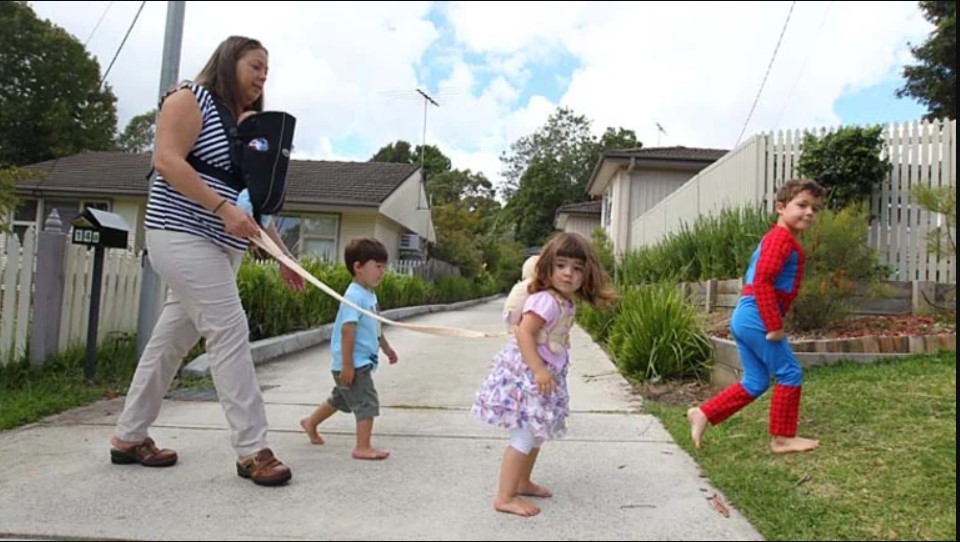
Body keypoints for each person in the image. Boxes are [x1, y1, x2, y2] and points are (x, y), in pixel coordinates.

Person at [109, 36, 304, 487]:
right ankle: (253, 449)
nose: (262, 77)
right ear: (230, 60)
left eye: (266, 72)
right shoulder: (188, 98)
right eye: (255, 66)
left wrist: (284, 258)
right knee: (229, 328)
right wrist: (221, 209)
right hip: (178, 233)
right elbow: (168, 162)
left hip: (223, 246)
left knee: (170, 342)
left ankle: (128, 436)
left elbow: (252, 205)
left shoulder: (248, 126)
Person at [472, 232, 616, 517]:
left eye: (577, 268)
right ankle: (505, 496)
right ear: (548, 266)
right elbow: (524, 332)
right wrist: (538, 368)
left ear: (587, 274)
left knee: (536, 434)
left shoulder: (564, 301)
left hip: (542, 375)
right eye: (561, 265)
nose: (568, 273)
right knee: (524, 435)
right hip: (527, 376)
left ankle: (522, 482)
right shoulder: (546, 301)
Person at [687, 178, 826, 455]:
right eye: (802, 205)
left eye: (815, 208)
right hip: (757, 314)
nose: (810, 212)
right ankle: (782, 439)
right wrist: (774, 326)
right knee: (789, 372)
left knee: (756, 381)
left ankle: (703, 412)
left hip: (747, 314)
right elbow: (762, 281)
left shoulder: (780, 239)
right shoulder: (781, 238)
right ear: (780, 207)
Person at [299, 237, 399, 460]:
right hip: (353, 363)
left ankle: (310, 422)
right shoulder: (354, 295)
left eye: (384, 267)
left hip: (360, 361)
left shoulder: (369, 294)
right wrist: (347, 364)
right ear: (358, 267)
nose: (382, 272)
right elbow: (348, 331)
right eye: (378, 266)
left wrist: (387, 348)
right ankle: (362, 446)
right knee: (366, 402)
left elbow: (375, 327)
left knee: (340, 399)